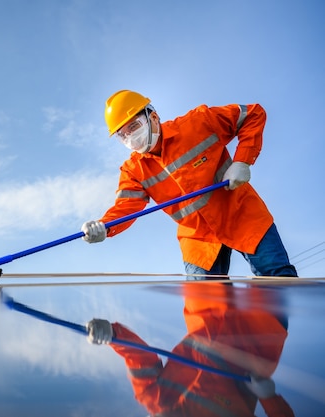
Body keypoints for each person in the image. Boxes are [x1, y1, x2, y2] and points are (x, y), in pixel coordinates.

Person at [81, 90, 298, 278]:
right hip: (197, 237)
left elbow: (252, 114)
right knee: (205, 309)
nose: (130, 137)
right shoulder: (133, 170)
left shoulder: (198, 122)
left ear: (153, 117)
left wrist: (242, 161)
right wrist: (105, 227)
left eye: (134, 126)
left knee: (279, 279)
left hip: (242, 214)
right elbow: (125, 207)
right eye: (122, 134)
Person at [86, 282, 295, 416]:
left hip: (207, 311)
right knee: (275, 273)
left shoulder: (154, 397)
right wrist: (269, 398)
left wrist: (112, 335)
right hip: (259, 334)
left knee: (207, 232)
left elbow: (141, 358)